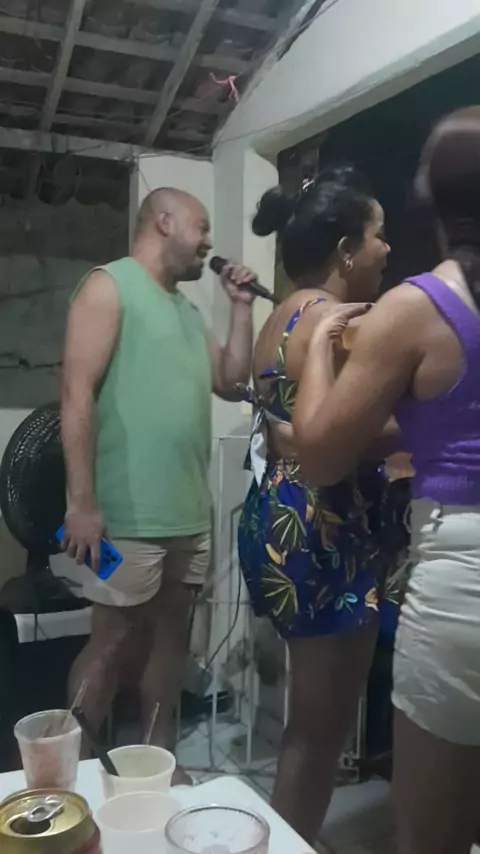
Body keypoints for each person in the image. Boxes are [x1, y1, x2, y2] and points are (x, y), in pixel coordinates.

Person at [293, 108, 480, 854]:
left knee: (431, 834)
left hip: (465, 581)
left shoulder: (416, 307)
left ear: (431, 199)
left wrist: (321, 344)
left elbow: (319, 457)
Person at [61, 187, 256, 781]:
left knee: (172, 643)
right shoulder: (109, 286)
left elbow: (231, 380)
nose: (208, 242)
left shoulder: (186, 311)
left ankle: (155, 766)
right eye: (202, 227)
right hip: (124, 515)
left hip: (187, 513)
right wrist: (81, 502)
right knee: (112, 641)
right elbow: (75, 394)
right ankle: (73, 778)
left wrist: (241, 307)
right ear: (165, 222)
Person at [237, 166, 402, 843]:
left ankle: (289, 838)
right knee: (319, 732)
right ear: (345, 251)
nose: (386, 249)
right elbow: (342, 434)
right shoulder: (337, 327)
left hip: (277, 518)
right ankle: (290, 843)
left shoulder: (280, 316)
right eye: (378, 234)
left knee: (308, 727)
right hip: (324, 529)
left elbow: (285, 425)